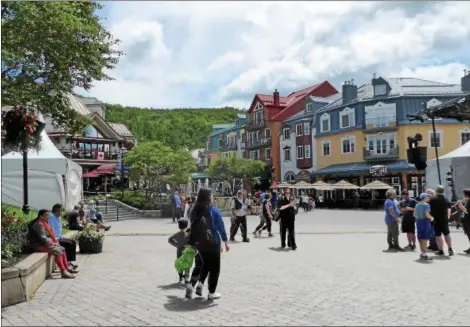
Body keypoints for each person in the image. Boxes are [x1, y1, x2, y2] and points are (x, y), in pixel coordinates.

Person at [185, 188, 230, 300]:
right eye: (212, 196)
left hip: (199, 243)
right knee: (215, 268)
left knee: (205, 263)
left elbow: (192, 226)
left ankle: (197, 283)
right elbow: (221, 227)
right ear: (208, 198)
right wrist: (226, 241)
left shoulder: (194, 211)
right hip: (213, 241)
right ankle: (211, 292)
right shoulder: (214, 211)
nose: (213, 197)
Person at [26, 209, 77, 279]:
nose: (48, 217)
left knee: (62, 249)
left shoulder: (44, 223)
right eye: (46, 215)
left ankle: (67, 268)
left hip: (43, 243)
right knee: (58, 251)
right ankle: (63, 272)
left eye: (49, 215)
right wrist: (52, 243)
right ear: (41, 216)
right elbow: (43, 238)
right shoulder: (39, 224)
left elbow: (47, 236)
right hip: (37, 245)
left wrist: (53, 241)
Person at [49, 204, 78, 269]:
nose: (62, 212)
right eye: (61, 210)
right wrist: (54, 239)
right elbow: (50, 228)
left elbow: (59, 227)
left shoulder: (58, 217)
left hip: (59, 237)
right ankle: (67, 263)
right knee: (69, 244)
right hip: (55, 238)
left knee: (73, 242)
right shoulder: (51, 217)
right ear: (56, 210)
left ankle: (69, 261)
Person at [429, 185, 454, 256]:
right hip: (444, 220)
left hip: (435, 220)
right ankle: (450, 248)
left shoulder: (432, 199)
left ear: (436, 190)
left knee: (438, 236)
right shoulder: (446, 199)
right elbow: (449, 209)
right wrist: (448, 217)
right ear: (443, 191)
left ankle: (441, 250)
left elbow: (429, 209)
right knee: (447, 234)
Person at [168, 218, 190, 284]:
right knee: (187, 264)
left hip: (179, 251)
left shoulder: (177, 234)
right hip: (187, 252)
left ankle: (180, 278)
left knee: (179, 264)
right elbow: (191, 241)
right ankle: (186, 278)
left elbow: (169, 239)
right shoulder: (187, 234)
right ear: (186, 226)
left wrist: (176, 245)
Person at [414, 193, 434, 261]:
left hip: (418, 221)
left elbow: (414, 214)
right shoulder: (426, 205)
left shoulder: (417, 204)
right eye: (428, 197)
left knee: (420, 237)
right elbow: (427, 214)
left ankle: (422, 253)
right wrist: (431, 218)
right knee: (425, 238)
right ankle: (424, 254)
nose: (429, 198)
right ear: (425, 197)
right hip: (425, 222)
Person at [457, 189, 470, 254]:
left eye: (465, 195)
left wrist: (460, 205)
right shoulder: (468, 201)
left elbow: (466, 211)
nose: (464, 197)